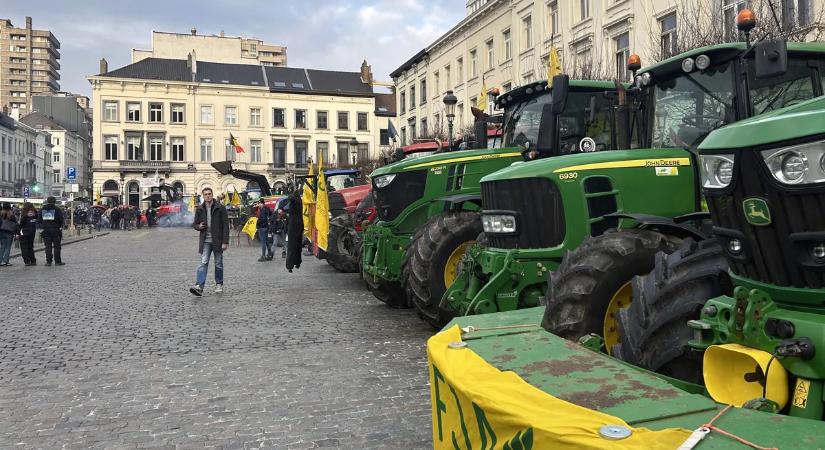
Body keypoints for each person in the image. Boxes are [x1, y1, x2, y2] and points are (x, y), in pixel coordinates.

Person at [190, 187, 230, 296]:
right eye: (205, 194)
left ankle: (219, 284)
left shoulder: (220, 208)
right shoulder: (199, 209)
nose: (207, 196)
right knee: (203, 263)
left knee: (218, 263)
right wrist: (199, 226)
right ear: (203, 196)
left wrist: (225, 241)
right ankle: (199, 286)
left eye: (209, 194)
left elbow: (226, 226)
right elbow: (194, 224)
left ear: (212, 195)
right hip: (205, 241)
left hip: (218, 241)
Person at [38, 196, 65, 266]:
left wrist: (42, 226)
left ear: (47, 201)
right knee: (57, 246)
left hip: (46, 229)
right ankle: (57, 261)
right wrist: (60, 226)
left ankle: (48, 261)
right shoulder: (57, 209)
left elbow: (39, 219)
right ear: (55, 201)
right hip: (55, 229)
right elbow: (60, 219)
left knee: (48, 246)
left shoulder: (42, 209)